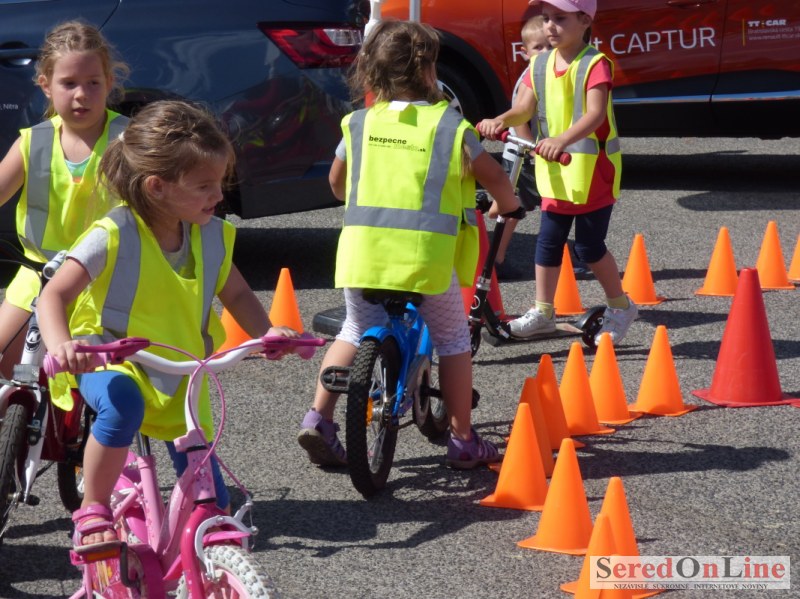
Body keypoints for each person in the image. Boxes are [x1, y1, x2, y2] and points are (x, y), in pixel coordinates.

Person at [38, 100, 299, 552]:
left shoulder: (212, 235)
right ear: (157, 187)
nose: (218, 195)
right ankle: (93, 508)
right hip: (109, 359)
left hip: (179, 369)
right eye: (204, 186)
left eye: (219, 182)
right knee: (121, 407)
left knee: (211, 500)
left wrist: (267, 332)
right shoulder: (113, 233)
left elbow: (236, 294)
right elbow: (53, 295)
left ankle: (208, 562)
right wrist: (63, 346)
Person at [298, 20, 521, 470]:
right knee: (453, 340)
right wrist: (509, 204)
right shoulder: (449, 126)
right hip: (424, 261)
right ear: (429, 71)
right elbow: (494, 177)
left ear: (371, 72)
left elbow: (337, 184)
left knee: (353, 330)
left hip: (363, 254)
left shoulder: (358, 123)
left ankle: (319, 418)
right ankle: (462, 439)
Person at [477, 0, 637, 345]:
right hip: (557, 171)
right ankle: (543, 312)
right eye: (547, 18)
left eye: (560, 18)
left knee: (589, 248)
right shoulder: (539, 64)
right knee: (548, 243)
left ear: (585, 20)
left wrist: (561, 140)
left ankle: (621, 306)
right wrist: (499, 121)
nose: (550, 25)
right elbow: (523, 108)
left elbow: (595, 114)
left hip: (593, 172)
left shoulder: (594, 64)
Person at [0, 21, 131, 379]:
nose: (82, 94)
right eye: (69, 83)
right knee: (6, 363)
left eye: (93, 83)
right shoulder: (33, 142)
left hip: (104, 282)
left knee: (104, 379)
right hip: (38, 275)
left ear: (109, 83)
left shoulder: (129, 141)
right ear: (46, 85)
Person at [493, 15, 549, 281]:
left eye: (550, 46)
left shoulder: (546, 75)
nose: (545, 52)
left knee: (519, 208)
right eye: (538, 47)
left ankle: (496, 257)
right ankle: (495, 259)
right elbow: (520, 120)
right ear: (525, 53)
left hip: (533, 154)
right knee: (511, 209)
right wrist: (533, 151)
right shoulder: (530, 78)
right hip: (522, 156)